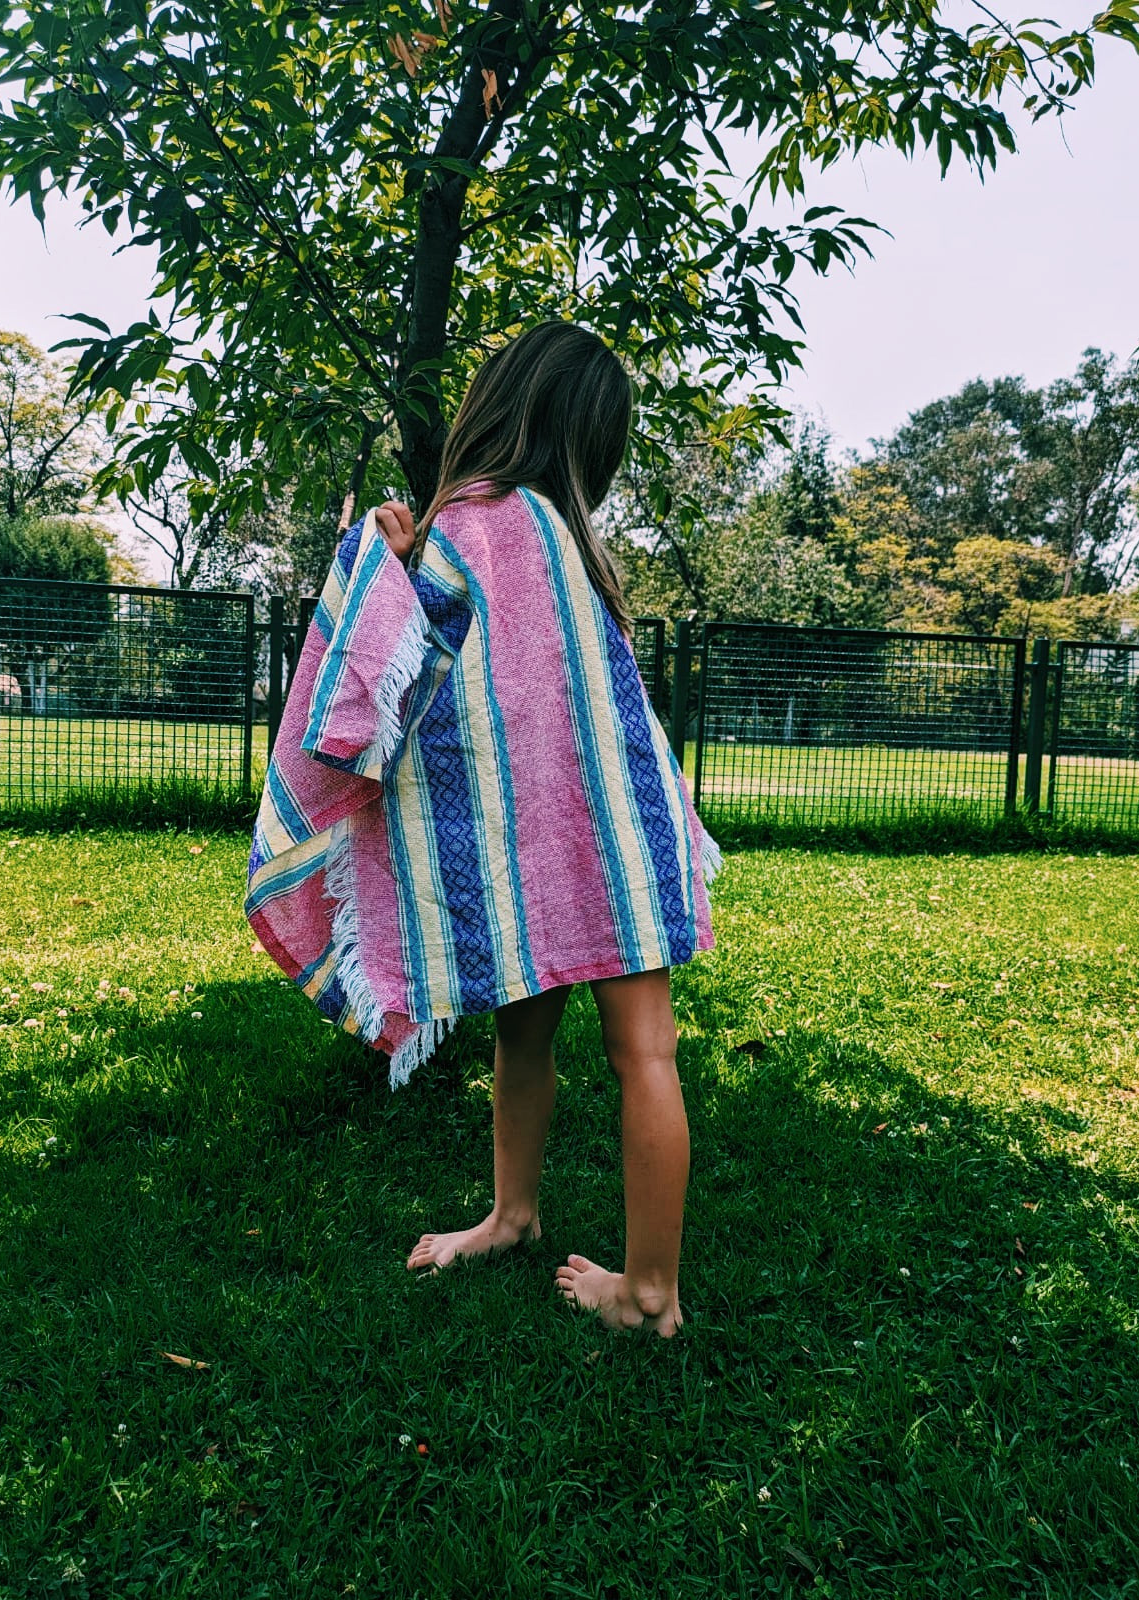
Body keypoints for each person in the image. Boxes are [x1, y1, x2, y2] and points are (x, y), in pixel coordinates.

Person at [246, 322, 719, 1336]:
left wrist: (379, 556)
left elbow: (393, 668)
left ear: (497, 404)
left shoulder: (470, 521)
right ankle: (524, 1221)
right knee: (635, 1051)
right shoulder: (575, 544)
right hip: (623, 838)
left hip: (533, 849)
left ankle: (641, 1293)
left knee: (543, 1040)